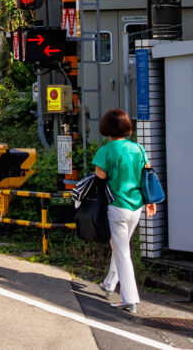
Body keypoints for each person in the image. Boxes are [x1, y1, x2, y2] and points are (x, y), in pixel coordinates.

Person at [92, 108, 157, 314]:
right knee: (121, 247)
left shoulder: (107, 150)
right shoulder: (138, 149)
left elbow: (99, 176)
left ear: (107, 128)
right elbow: (147, 174)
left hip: (117, 207)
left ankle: (130, 299)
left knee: (122, 251)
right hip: (136, 207)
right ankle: (110, 283)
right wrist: (150, 201)